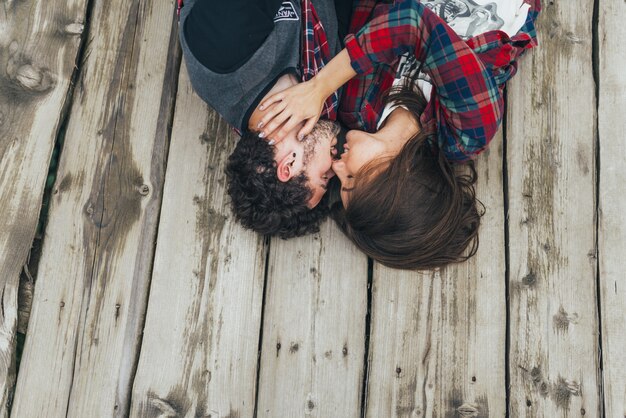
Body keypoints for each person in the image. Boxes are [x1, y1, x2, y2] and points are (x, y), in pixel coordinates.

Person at [256, 0, 541, 268]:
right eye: (352, 178)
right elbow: (413, 23)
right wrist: (320, 86)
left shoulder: (354, 109)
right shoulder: (466, 131)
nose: (337, 166)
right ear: (399, 175)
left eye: (340, 180)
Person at [177, 0, 352, 238]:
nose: (335, 166)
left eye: (324, 178)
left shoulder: (224, 52)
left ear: (287, 166)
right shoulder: (327, 105)